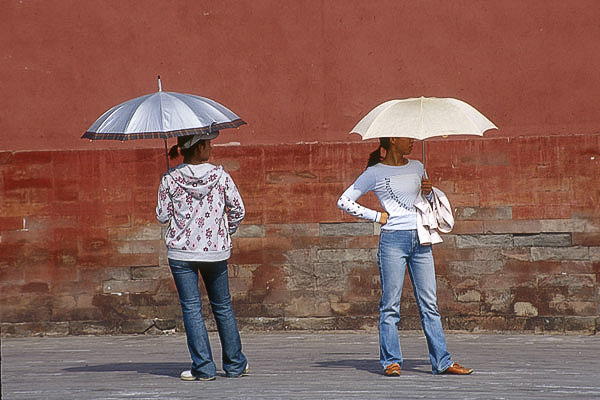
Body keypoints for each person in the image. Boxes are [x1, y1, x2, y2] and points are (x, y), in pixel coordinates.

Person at [337, 137, 473, 376]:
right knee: (390, 305)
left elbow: (423, 203)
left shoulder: (418, 166)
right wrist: (375, 216)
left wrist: (429, 193)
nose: (412, 141)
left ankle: (442, 361)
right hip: (393, 241)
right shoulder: (374, 173)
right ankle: (391, 361)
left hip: (422, 239)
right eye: (406, 138)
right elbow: (344, 201)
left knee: (430, 304)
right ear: (392, 140)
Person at [156, 131, 248, 381]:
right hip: (215, 252)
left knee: (192, 309)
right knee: (223, 307)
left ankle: (204, 368)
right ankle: (235, 364)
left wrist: (168, 187)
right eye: (208, 144)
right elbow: (238, 210)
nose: (210, 148)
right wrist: (224, 232)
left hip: (181, 252)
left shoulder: (170, 178)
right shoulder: (221, 176)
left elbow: (162, 216)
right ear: (198, 148)